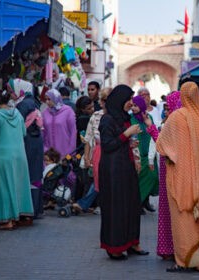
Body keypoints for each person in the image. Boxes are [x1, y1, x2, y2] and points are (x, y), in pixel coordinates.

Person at [156, 81, 199, 272]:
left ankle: (184, 260)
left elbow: (163, 145)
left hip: (183, 179)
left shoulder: (177, 117)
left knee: (183, 219)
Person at [98, 84, 149, 260]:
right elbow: (107, 145)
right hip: (113, 170)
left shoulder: (124, 118)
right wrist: (126, 134)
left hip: (126, 166)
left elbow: (120, 141)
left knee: (132, 204)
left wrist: (129, 142)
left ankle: (132, 243)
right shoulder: (107, 120)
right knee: (116, 207)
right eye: (128, 99)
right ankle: (115, 247)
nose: (130, 103)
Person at [0, 90, 34, 230]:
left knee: (4, 186)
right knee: (18, 184)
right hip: (20, 154)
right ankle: (21, 214)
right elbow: (24, 132)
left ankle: (8, 219)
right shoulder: (18, 113)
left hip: (4, 154)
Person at [8, 78, 44, 220]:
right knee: (34, 174)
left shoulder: (24, 104)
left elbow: (17, 124)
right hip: (34, 142)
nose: (10, 94)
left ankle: (30, 210)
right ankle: (35, 208)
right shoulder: (31, 101)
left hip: (29, 143)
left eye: (11, 91)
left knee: (29, 174)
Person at [73, 87, 112, 214]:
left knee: (106, 182)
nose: (102, 102)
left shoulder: (120, 116)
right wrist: (87, 157)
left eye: (105, 99)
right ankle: (86, 203)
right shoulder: (95, 116)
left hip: (114, 154)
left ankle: (86, 203)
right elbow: (88, 138)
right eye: (102, 99)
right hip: (98, 153)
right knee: (98, 180)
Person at [156, 91, 181, 260]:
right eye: (164, 108)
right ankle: (169, 248)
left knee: (171, 209)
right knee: (167, 209)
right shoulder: (174, 120)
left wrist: (151, 128)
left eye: (168, 107)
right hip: (168, 170)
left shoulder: (175, 122)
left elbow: (164, 145)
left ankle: (171, 249)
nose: (166, 111)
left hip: (172, 170)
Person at [130, 95, 159, 214]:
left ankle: (145, 201)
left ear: (141, 106)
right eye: (132, 105)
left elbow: (153, 132)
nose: (133, 108)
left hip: (150, 154)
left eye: (135, 105)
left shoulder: (148, 117)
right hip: (138, 154)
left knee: (152, 177)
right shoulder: (130, 118)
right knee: (140, 179)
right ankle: (139, 203)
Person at [42, 88, 77, 158]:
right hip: (49, 153)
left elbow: (73, 132)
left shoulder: (68, 111)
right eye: (46, 99)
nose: (47, 102)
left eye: (49, 99)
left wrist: (70, 152)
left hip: (65, 150)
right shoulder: (44, 113)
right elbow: (43, 133)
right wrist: (44, 149)